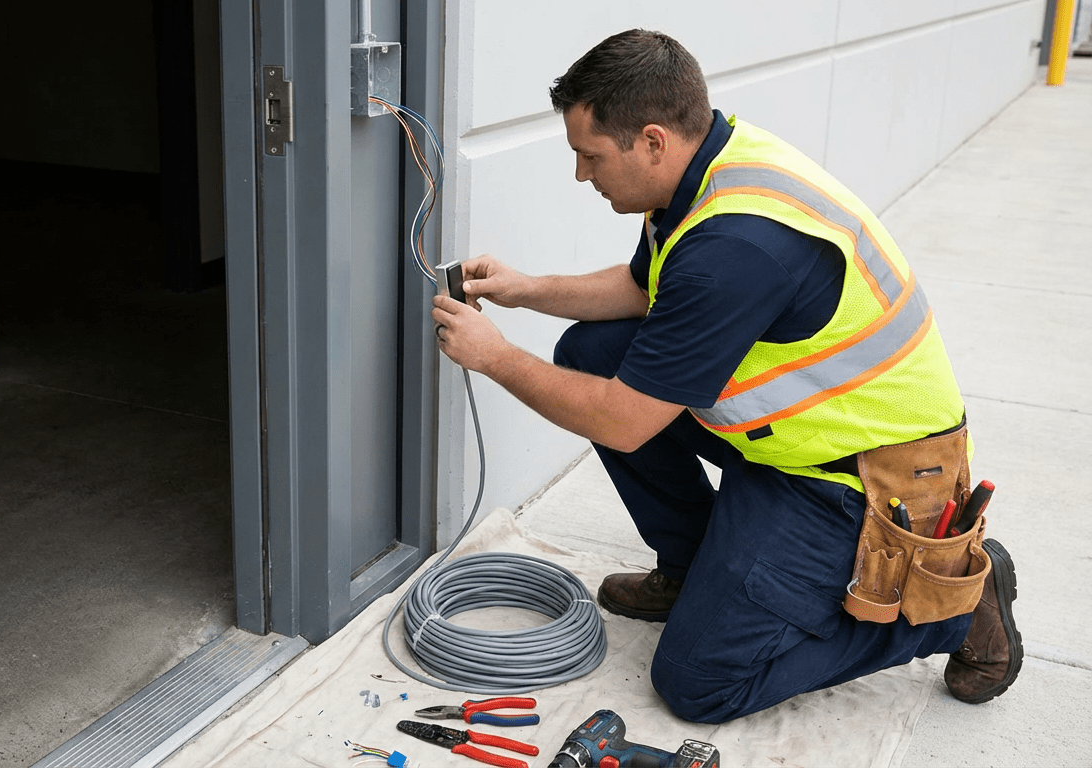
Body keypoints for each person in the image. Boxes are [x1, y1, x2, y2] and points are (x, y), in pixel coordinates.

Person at [430, 29, 1021, 724]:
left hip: (862, 482)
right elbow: (646, 288)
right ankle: (691, 569)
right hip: (800, 439)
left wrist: (495, 356)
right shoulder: (708, 168)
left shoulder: (737, 244)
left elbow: (624, 419)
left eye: (590, 158)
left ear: (652, 140)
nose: (582, 177)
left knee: (698, 683)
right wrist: (527, 288)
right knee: (594, 353)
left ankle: (947, 612)